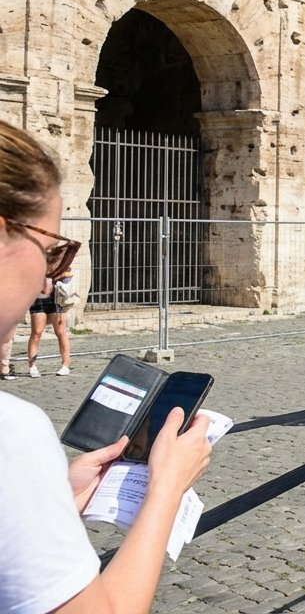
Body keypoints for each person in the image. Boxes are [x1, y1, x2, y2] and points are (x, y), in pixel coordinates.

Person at [0, 118, 213, 613]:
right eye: (53, 251)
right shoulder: (12, 434)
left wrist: (57, 502)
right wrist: (166, 488)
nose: (45, 284)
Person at [26, 272, 74, 377]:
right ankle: (32, 366)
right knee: (36, 333)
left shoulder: (57, 260)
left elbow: (68, 277)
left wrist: (63, 276)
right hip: (38, 299)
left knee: (61, 332)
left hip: (55, 298)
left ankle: (65, 365)